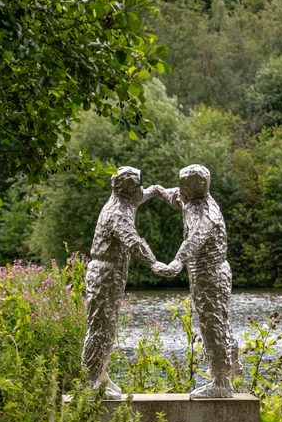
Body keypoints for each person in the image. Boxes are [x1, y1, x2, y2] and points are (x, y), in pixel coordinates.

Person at [153, 164, 240, 398]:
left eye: (184, 185)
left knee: (213, 325)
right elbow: (173, 196)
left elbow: (194, 240)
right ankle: (231, 363)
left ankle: (221, 382)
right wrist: (156, 190)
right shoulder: (190, 200)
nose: (180, 189)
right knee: (216, 320)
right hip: (203, 275)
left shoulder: (206, 213)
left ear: (195, 188)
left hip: (211, 275)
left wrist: (176, 262)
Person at [81, 166, 167, 399]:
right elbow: (133, 242)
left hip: (113, 273)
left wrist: (158, 191)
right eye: (137, 185)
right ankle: (90, 383)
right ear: (128, 189)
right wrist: (154, 263)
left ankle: (100, 374)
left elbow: (144, 195)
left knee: (108, 326)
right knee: (100, 328)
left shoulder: (125, 201)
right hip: (105, 274)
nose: (141, 189)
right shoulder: (117, 212)